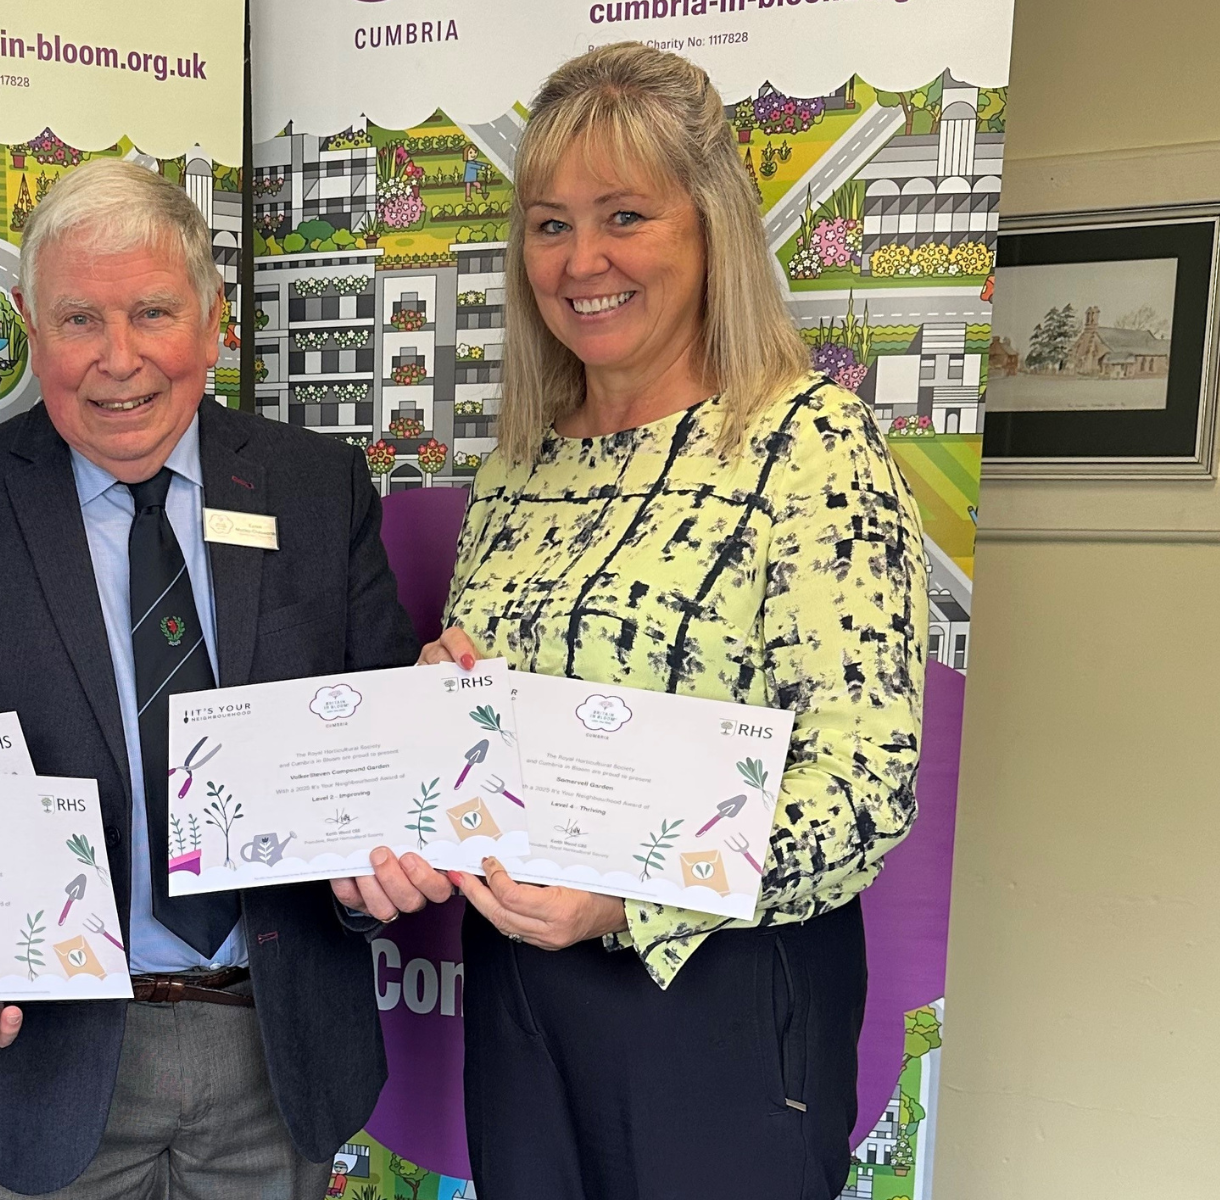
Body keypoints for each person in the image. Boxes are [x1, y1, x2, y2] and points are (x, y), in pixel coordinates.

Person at [343, 43, 929, 1200]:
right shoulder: (518, 464)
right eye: (550, 224)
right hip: (518, 992)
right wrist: (442, 704)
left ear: (708, 228)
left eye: (623, 216)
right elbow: (500, 720)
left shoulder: (807, 446)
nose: (582, 261)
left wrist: (629, 899)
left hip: (720, 1000)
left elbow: (867, 788)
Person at [0, 158, 418, 1199]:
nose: (118, 361)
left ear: (211, 323)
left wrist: (387, 860)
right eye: (78, 321)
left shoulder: (314, 487)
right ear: (30, 326)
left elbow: (377, 755)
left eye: (152, 313)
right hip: (40, 1065)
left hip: (275, 1052)